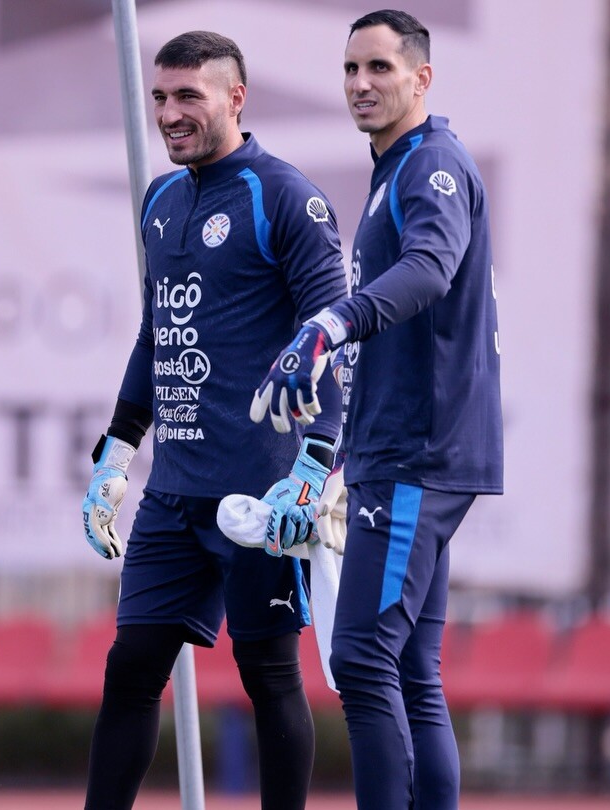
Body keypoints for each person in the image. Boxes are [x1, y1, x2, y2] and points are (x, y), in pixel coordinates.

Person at [80, 30, 349, 810]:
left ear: (235, 98)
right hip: (173, 494)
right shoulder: (160, 201)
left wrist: (313, 468)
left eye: (188, 96)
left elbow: (334, 338)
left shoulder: (284, 197)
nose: (169, 114)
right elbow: (155, 335)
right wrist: (115, 457)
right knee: (131, 668)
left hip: (258, 497)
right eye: (160, 97)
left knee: (268, 675)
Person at [250, 10, 503, 809]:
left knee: (361, 659)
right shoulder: (398, 167)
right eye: (351, 69)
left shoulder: (431, 165)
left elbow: (429, 267)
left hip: (415, 456)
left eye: (380, 68)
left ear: (421, 78)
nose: (361, 84)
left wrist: (329, 324)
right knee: (409, 671)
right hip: (407, 454)